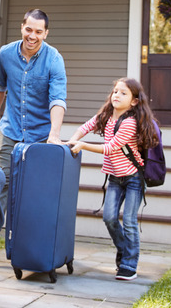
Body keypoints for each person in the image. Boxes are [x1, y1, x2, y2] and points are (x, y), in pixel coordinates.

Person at [0, 8, 67, 263]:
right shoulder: (6, 53)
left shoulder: (54, 59)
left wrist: (54, 133)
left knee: (34, 190)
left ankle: (29, 245)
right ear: (22, 27)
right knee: (2, 181)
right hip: (11, 130)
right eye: (28, 29)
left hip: (41, 135)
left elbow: (57, 99)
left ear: (46, 33)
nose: (32, 36)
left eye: (38, 32)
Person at [63, 77, 159, 281]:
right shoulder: (106, 116)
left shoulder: (130, 122)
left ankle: (129, 264)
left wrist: (82, 146)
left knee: (130, 221)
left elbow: (110, 147)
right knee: (109, 218)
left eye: (124, 93)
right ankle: (125, 250)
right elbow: (86, 126)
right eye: (116, 91)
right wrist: (74, 139)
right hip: (115, 178)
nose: (117, 95)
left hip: (133, 178)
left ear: (134, 101)